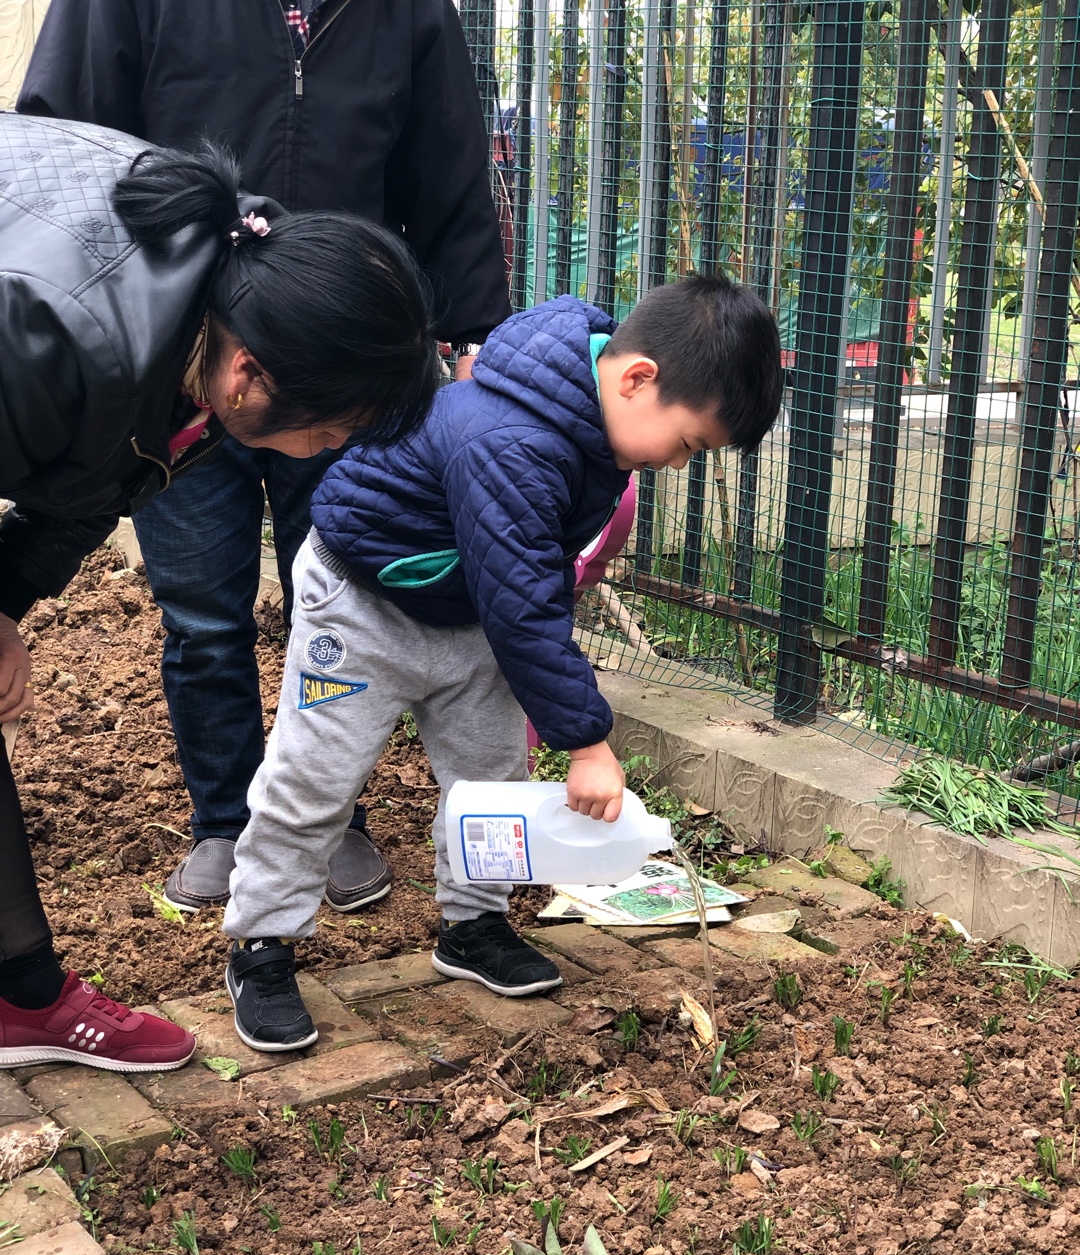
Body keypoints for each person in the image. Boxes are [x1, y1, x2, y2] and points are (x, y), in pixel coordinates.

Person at [17, 0, 512, 916]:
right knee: (203, 611)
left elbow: (449, 167)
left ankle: (323, 814)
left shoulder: (409, 13)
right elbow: (60, 137)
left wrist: (476, 331)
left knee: (342, 604)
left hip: (337, 358)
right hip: (177, 340)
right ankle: (225, 819)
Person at [219, 276, 783, 1052]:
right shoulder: (511, 440)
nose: (679, 464)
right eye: (688, 444)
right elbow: (525, 606)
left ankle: (473, 926)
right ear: (637, 378)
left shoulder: (585, 417)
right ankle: (262, 944)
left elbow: (522, 586)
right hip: (364, 606)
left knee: (489, 780)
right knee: (314, 778)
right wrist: (587, 743)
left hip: (470, 610)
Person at [0, 112, 438, 1071]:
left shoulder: (228, 295)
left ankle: (20, 995)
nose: (323, 456)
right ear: (250, 377)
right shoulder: (58, 336)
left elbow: (99, 480)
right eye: (328, 434)